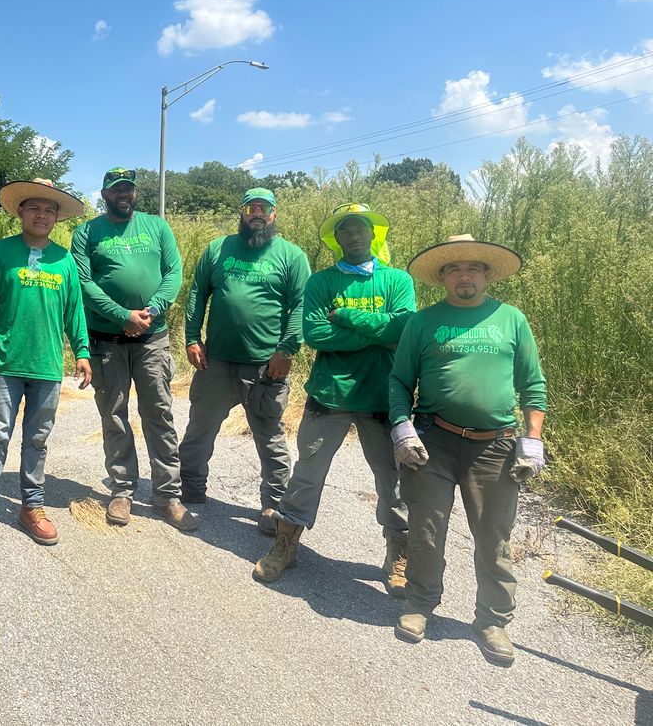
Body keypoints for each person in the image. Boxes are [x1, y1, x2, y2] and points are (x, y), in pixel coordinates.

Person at [388, 234, 546, 666]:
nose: (464, 275)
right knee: (425, 529)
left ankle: (492, 620)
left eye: (473, 267)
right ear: (443, 277)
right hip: (433, 441)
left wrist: (531, 441)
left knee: (493, 537)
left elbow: (533, 385)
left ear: (486, 274)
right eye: (454, 268)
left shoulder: (511, 319)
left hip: (494, 446)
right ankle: (420, 603)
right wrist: (402, 428)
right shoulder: (423, 322)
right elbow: (400, 382)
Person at [253, 203, 416, 594]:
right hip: (330, 393)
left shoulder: (397, 280)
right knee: (307, 474)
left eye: (361, 229)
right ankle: (285, 545)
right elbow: (315, 335)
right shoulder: (321, 282)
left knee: (393, 481)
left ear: (373, 234)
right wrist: (377, 332)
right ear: (336, 239)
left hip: (383, 396)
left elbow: (403, 330)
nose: (354, 235)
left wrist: (346, 318)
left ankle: (399, 554)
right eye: (345, 230)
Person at [0, 179, 92, 554]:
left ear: (56, 217)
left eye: (49, 210)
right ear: (20, 211)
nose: (42, 214)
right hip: (4, 363)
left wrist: (82, 351)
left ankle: (32, 507)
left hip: (47, 366)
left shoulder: (64, 259)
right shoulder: (0, 252)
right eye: (34, 207)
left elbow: (75, 310)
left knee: (37, 441)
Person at [71, 166, 197, 531]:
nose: (123, 194)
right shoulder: (87, 232)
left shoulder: (157, 227)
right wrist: (120, 314)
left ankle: (167, 496)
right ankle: (123, 490)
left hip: (152, 338)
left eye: (129, 189)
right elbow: (83, 282)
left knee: (159, 413)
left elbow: (173, 272)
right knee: (114, 413)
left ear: (135, 193)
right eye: (116, 190)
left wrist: (151, 309)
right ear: (105, 194)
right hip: (107, 340)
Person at [179, 188, 310, 535]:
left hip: (266, 366)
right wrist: (192, 338)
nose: (257, 214)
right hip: (216, 362)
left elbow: (301, 305)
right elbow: (198, 293)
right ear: (241, 212)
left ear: (274, 214)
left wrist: (287, 350)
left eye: (264, 209)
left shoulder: (291, 256)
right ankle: (190, 487)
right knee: (199, 428)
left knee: (269, 436)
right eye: (251, 207)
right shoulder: (218, 249)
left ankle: (274, 504)